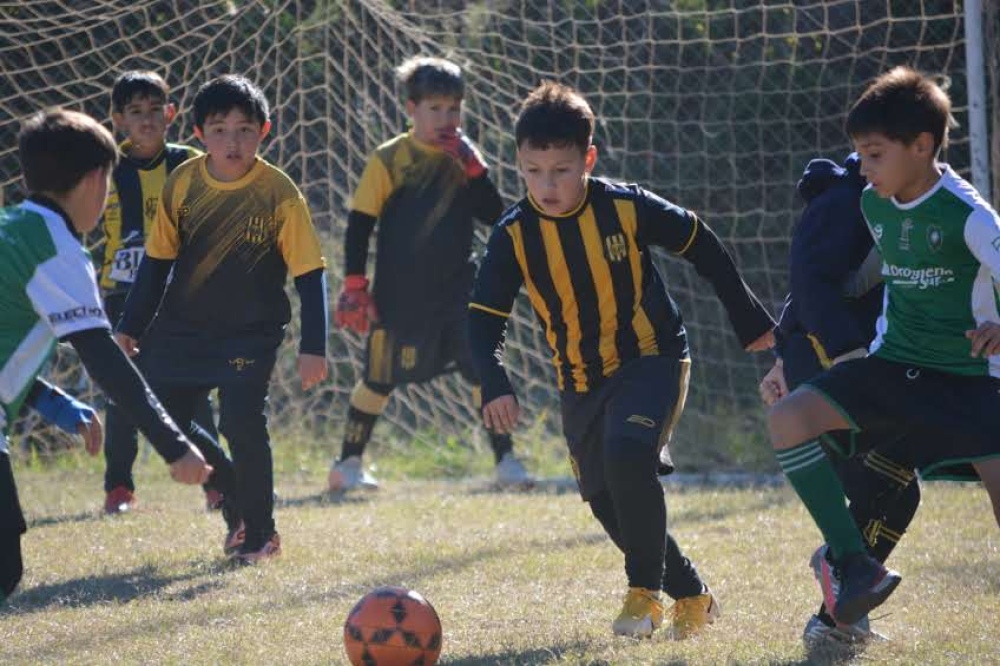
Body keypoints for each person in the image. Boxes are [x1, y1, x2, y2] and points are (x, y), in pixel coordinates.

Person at [468, 81, 775, 639]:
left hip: (652, 356)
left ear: (588, 158)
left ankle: (643, 596)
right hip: (579, 379)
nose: (547, 185)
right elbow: (486, 318)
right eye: (533, 171)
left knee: (628, 455)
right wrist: (494, 380)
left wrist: (748, 318)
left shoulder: (626, 207)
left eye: (560, 170)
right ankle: (693, 594)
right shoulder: (513, 234)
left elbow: (700, 242)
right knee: (607, 500)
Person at [768, 66, 1000, 627]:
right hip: (894, 367)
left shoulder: (969, 217)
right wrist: (788, 342)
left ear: (921, 147)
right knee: (787, 419)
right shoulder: (875, 205)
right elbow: (873, 274)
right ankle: (852, 564)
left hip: (970, 383)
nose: (863, 169)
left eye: (874, 155)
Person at [116, 75, 329, 563]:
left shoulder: (279, 192)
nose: (232, 142)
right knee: (162, 417)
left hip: (249, 334)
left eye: (244, 130)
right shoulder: (183, 184)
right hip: (181, 330)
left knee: (241, 421)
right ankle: (236, 492)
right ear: (197, 133)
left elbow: (310, 273)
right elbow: (155, 265)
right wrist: (129, 328)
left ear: (265, 131)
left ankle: (261, 532)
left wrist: (314, 344)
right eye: (219, 130)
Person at [1, 108, 211, 599]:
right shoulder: (57, 248)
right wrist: (173, 445)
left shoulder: (9, 226)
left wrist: (57, 404)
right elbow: (104, 358)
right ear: (98, 179)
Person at [329, 56, 531, 492]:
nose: (446, 118)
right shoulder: (389, 159)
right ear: (412, 108)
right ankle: (347, 465)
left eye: (454, 108)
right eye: (435, 108)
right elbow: (360, 225)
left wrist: (477, 171)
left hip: (460, 291)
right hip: (399, 296)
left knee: (482, 369)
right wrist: (354, 285)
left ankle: (507, 463)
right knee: (378, 379)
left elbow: (494, 215)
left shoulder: (464, 157)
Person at [759, 153, 922, 648]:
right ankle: (838, 583)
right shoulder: (843, 202)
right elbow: (808, 284)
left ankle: (839, 612)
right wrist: (798, 353)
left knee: (901, 489)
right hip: (832, 370)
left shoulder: (912, 205)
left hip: (867, 372)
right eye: (872, 150)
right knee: (884, 480)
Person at [96, 70, 221, 515]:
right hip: (122, 297)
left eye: (155, 111)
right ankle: (119, 487)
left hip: (181, 296)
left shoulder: (190, 163)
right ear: (118, 119)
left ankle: (215, 483)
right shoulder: (106, 167)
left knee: (195, 387)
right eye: (135, 112)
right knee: (123, 391)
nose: (146, 120)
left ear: (170, 114)